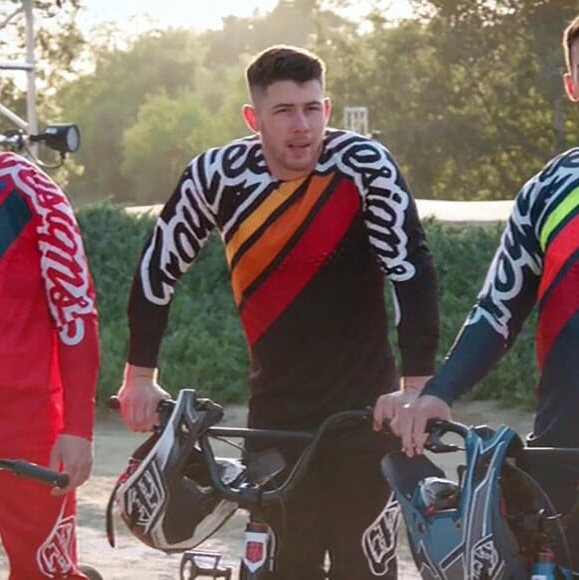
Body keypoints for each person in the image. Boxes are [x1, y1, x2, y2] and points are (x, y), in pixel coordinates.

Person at [117, 44, 439, 579]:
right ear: (253, 118)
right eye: (284, 111)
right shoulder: (216, 175)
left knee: (367, 568)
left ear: (328, 110)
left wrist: (416, 389)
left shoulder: (362, 165)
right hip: (276, 415)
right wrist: (139, 377)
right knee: (284, 568)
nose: (302, 127)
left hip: (368, 415)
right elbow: (157, 268)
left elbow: (412, 269)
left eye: (312, 109)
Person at [373, 13, 579, 573]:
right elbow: (497, 311)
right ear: (571, 85)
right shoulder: (547, 193)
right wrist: (439, 392)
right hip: (566, 454)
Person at [0, 150, 100, 579]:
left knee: (44, 573)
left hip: (27, 421)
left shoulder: (29, 190)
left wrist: (78, 427)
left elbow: (75, 310)